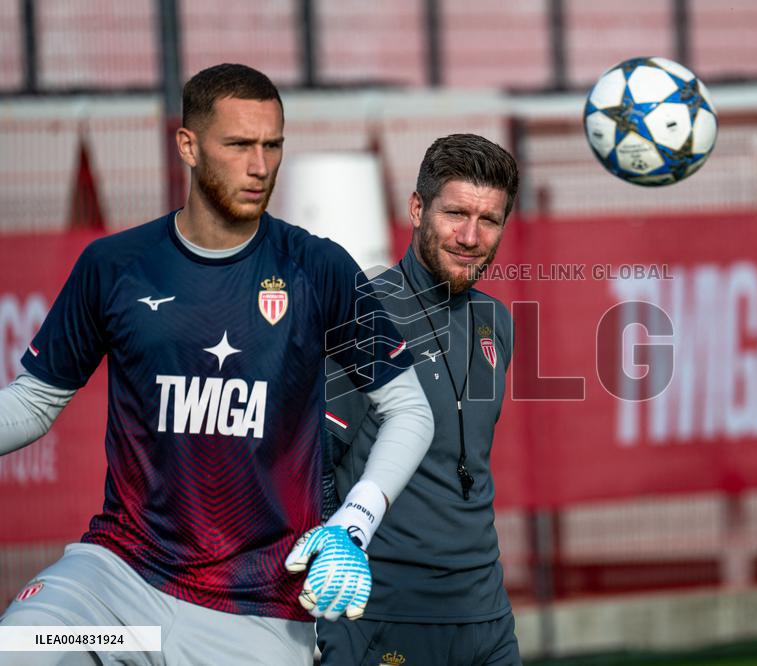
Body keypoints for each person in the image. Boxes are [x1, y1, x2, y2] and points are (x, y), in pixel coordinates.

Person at [0, 63, 434, 664]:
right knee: (24, 648)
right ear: (189, 146)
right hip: (120, 588)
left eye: (272, 146)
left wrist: (352, 526)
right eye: (238, 145)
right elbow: (32, 402)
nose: (260, 167)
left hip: (255, 617)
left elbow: (410, 409)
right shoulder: (115, 266)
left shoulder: (320, 269)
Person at [317, 134, 522, 665]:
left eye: (489, 220)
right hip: (384, 616)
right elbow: (311, 464)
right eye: (455, 213)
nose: (471, 236)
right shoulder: (362, 313)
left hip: (487, 615)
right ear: (416, 208)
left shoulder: (496, 323)